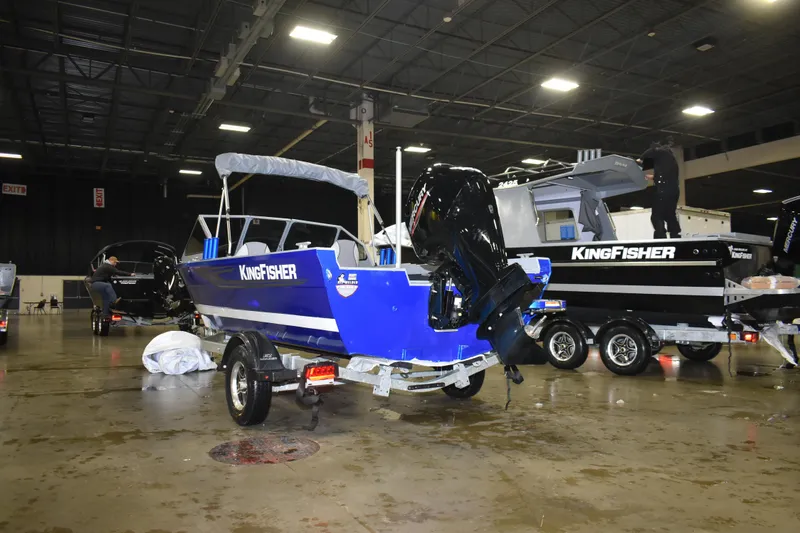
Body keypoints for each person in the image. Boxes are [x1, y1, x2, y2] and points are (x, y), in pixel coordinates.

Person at [638, 138, 681, 239]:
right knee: (670, 214)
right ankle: (675, 235)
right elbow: (667, 176)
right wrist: (652, 177)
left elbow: (652, 150)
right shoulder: (671, 160)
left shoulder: (661, 152)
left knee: (656, 216)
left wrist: (640, 159)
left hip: (663, 190)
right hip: (674, 191)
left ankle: (660, 237)